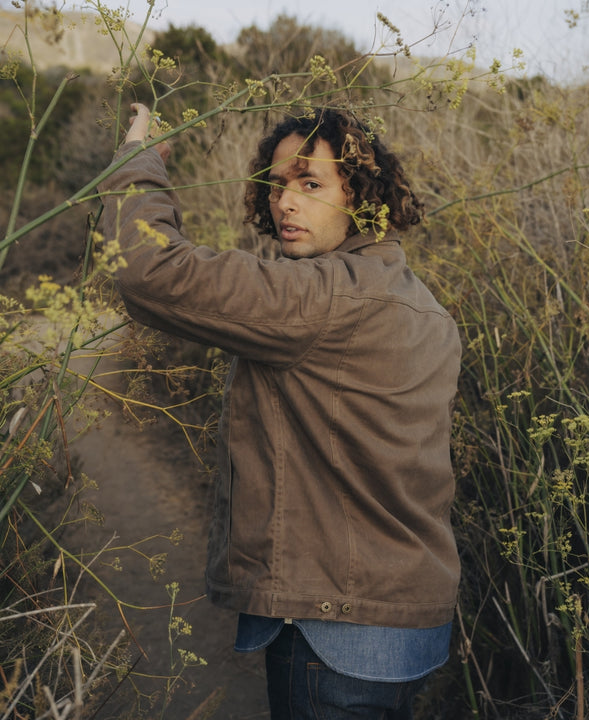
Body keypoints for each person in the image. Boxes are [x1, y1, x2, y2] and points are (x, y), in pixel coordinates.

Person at [99, 102, 462, 719]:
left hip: (335, 627)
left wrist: (140, 162)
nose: (285, 202)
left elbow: (150, 270)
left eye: (310, 183)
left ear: (362, 194)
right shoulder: (421, 304)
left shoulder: (326, 299)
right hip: (405, 623)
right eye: (276, 185)